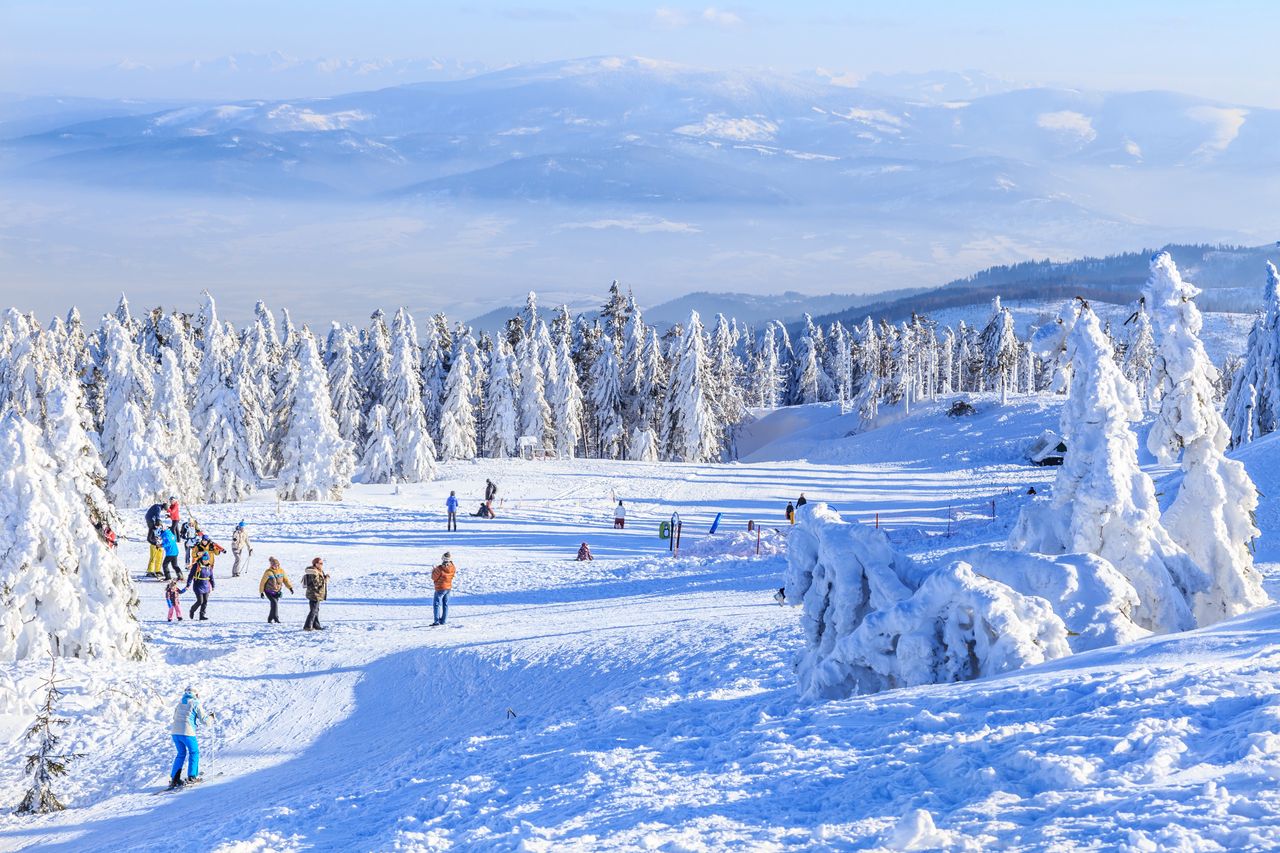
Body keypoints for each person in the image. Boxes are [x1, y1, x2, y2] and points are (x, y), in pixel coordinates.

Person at [168, 686, 210, 789]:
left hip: (175, 732)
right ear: (196, 694)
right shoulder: (195, 703)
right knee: (194, 752)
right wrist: (211, 718)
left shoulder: (179, 704)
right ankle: (192, 777)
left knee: (181, 753)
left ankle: (175, 779)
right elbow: (204, 720)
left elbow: (174, 717)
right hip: (187, 732)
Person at [259, 557, 294, 624]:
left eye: (276, 565)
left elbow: (285, 580)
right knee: (274, 603)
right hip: (268, 591)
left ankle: (270, 618)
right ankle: (276, 618)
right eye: (273, 565)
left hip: (277, 591)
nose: (274, 566)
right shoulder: (268, 572)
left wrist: (290, 588)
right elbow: (262, 582)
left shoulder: (281, 571)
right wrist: (261, 592)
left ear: (278, 564)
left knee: (274, 605)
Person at [184, 552, 215, 621]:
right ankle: (192, 610)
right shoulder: (196, 565)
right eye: (204, 558)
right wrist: (188, 584)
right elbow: (190, 575)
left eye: (207, 559)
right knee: (200, 601)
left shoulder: (209, 567)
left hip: (206, 586)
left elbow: (211, 576)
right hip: (198, 585)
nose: (205, 560)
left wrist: (213, 585)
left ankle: (202, 615)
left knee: (205, 601)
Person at [302, 557, 329, 631]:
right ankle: (307, 626)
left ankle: (316, 625)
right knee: (314, 610)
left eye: (322, 563)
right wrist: (326, 579)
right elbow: (316, 583)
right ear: (315, 564)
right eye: (320, 563)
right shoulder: (314, 572)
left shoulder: (319, 571)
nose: (321, 565)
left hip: (316, 593)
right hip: (314, 593)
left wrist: (324, 577)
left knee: (315, 610)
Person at [432, 552, 456, 626]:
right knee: (445, 604)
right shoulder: (453, 567)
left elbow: (433, 577)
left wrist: (433, 570)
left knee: (436, 604)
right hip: (448, 587)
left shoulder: (440, 568)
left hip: (440, 588)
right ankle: (443, 621)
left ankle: (436, 621)